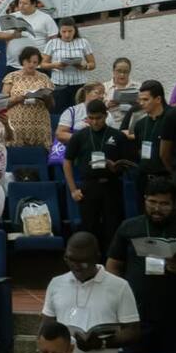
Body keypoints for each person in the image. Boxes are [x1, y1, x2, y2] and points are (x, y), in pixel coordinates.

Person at [43, 232, 140, 353]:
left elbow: (133, 331)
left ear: (97, 257)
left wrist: (101, 343)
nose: (76, 266)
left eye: (83, 262)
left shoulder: (119, 286)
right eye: (70, 260)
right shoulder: (56, 283)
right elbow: (46, 327)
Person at [106, 178, 176, 353]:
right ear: (144, 199)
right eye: (153, 202)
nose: (157, 208)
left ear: (174, 204)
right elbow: (113, 266)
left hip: (175, 317)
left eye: (164, 204)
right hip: (137, 316)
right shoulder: (129, 227)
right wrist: (117, 301)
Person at [63, 99, 129, 252]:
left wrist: (116, 167)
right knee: (89, 227)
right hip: (89, 186)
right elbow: (67, 162)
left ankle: (112, 262)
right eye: (91, 118)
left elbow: (127, 163)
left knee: (113, 226)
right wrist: (73, 189)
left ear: (105, 116)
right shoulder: (79, 136)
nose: (95, 122)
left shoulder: (117, 136)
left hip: (111, 185)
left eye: (98, 118)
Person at [2, 47, 54, 148]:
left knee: (39, 155)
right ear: (23, 61)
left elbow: (51, 106)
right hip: (16, 123)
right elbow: (3, 103)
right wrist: (19, 98)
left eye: (35, 62)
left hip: (40, 123)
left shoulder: (44, 78)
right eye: (28, 61)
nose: (31, 65)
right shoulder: (12, 77)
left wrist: (46, 97)